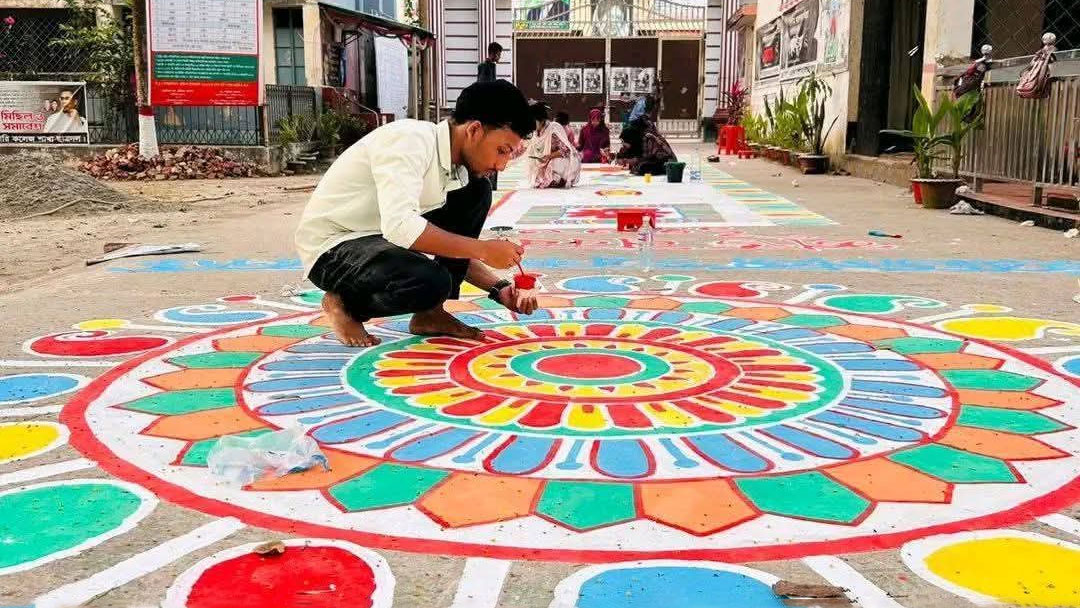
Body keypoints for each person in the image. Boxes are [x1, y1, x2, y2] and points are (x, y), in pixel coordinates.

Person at [295, 79, 537, 348]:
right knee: (430, 281)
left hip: (379, 242)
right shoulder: (410, 141)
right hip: (334, 248)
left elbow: (451, 247)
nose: (502, 165)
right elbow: (401, 227)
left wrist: (499, 289)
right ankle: (344, 304)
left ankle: (430, 314)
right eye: (501, 150)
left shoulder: (455, 172)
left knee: (476, 192)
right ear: (474, 130)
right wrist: (483, 249)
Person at [517, 101, 581, 188]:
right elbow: (526, 147)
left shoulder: (553, 129)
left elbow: (566, 150)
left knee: (555, 163)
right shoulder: (535, 133)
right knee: (536, 168)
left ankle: (561, 178)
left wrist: (549, 156)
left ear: (542, 120)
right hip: (546, 160)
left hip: (563, 160)